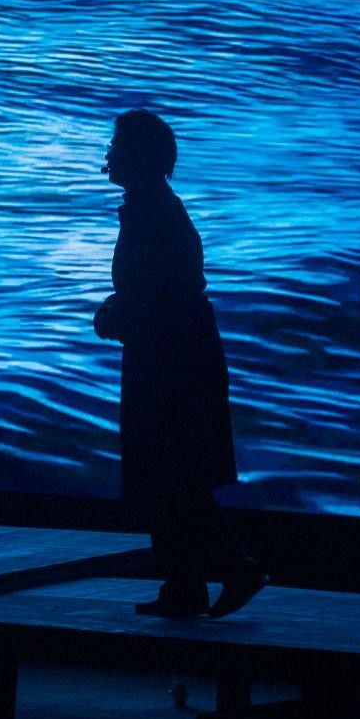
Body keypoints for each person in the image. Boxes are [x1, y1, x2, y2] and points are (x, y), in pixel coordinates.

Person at [94, 109, 267, 620]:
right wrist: (120, 310)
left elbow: (165, 293)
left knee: (170, 472)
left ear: (138, 155)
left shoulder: (154, 213)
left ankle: (227, 570)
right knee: (170, 474)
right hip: (171, 354)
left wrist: (118, 316)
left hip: (172, 361)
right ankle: (188, 583)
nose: (107, 155)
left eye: (116, 146)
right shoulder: (152, 208)